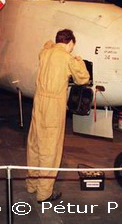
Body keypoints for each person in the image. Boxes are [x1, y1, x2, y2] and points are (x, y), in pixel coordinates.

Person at [26, 29, 90, 203]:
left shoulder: (45, 53)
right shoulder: (68, 58)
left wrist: (53, 45)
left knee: (35, 145)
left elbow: (46, 45)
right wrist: (79, 61)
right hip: (53, 106)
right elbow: (83, 79)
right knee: (50, 149)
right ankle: (44, 193)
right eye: (72, 46)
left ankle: (32, 184)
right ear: (70, 43)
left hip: (38, 102)